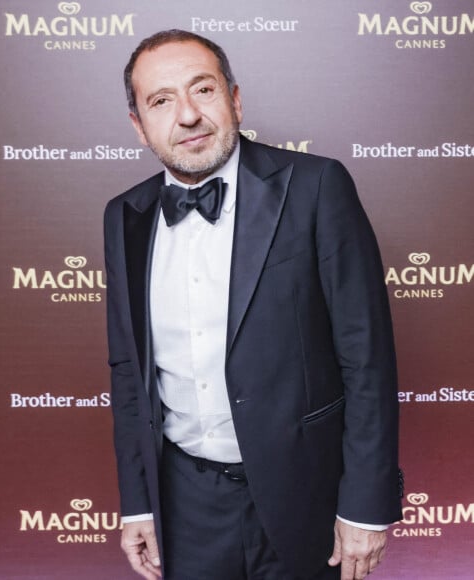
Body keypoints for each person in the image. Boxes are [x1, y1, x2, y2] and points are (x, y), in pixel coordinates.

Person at [104, 29, 403, 580]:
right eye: (161, 101)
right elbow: (129, 374)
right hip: (185, 505)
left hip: (305, 494)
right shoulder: (125, 216)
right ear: (138, 125)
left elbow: (367, 360)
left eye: (203, 90)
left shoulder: (317, 187)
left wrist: (366, 502)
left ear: (235, 99)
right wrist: (139, 501)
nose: (188, 115)